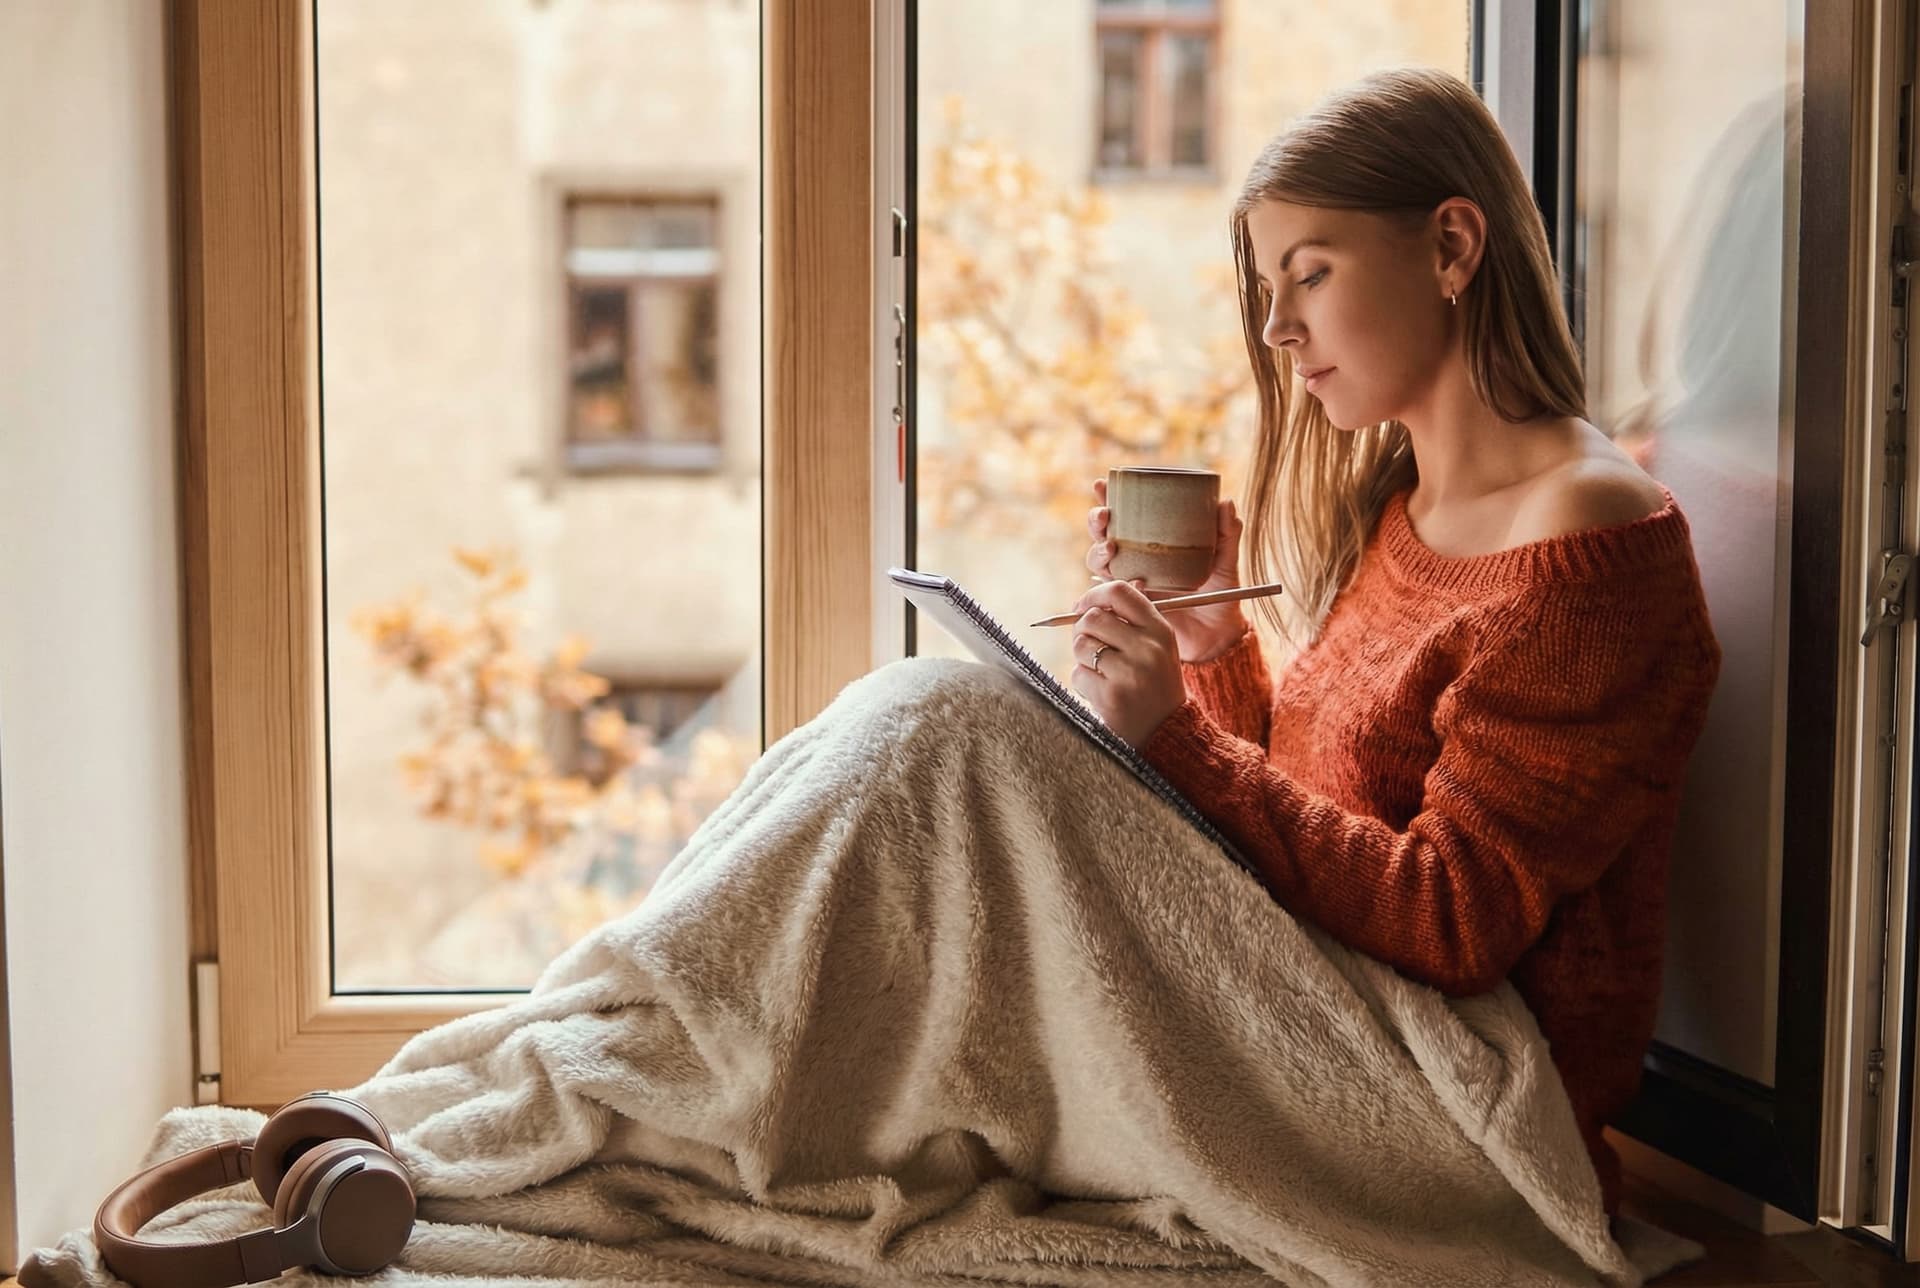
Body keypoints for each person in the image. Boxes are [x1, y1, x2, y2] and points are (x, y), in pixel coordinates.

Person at [1066, 65, 1722, 1218]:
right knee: (951, 734)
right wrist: (1217, 644)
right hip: (1320, 1014)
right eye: (1273, 288)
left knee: (949, 738)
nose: (1278, 328)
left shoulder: (1589, 540)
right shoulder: (1403, 507)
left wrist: (1170, 734)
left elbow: (1450, 914)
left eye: (1310, 273)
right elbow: (1310, 814)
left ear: (1452, 247)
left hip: (1448, 1099)